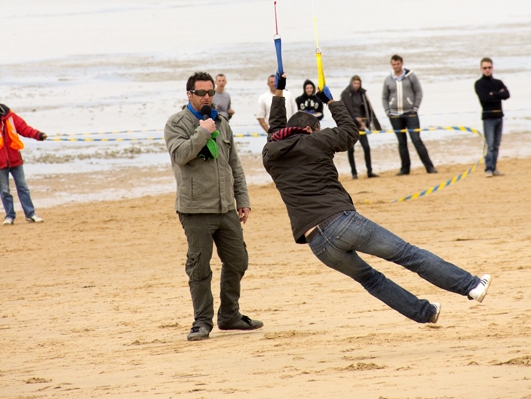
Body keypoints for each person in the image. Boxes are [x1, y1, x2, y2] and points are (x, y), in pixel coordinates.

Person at [262, 76, 491, 325]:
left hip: (316, 243)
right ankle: (470, 285)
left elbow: (275, 131)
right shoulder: (315, 140)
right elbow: (351, 132)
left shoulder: (270, 153)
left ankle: (425, 313)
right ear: (308, 130)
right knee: (408, 254)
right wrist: (331, 101)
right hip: (340, 222)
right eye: (316, 129)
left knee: (370, 280)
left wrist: (279, 92)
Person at [164, 71, 263, 341]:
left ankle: (230, 315)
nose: (208, 97)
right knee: (199, 267)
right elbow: (181, 156)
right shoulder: (176, 123)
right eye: (202, 93)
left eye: (210, 93)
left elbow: (234, 165)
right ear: (189, 95)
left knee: (238, 260)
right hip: (195, 209)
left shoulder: (222, 122)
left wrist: (242, 200)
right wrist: (201, 132)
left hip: (225, 208)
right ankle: (202, 322)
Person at [382, 54, 437, 176]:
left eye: (397, 64)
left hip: (410, 114)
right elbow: (384, 97)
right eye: (393, 64)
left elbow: (418, 92)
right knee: (402, 143)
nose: (396, 66)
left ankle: (429, 167)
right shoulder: (388, 79)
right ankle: (405, 169)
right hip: (395, 115)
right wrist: (387, 111)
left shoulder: (410, 76)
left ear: (402, 63)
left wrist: (415, 107)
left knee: (416, 140)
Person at [0, 104, 46, 225]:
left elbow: (24, 128)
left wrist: (38, 135)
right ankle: (9, 216)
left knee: (23, 187)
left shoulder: (9, 116)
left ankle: (30, 214)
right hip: (0, 164)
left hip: (15, 159)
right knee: (4, 191)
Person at [475, 58, 510, 177]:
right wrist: (497, 94)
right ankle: (488, 168)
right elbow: (485, 99)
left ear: (492, 68)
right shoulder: (479, 84)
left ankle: (494, 168)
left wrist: (494, 93)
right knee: (489, 144)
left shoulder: (498, 82)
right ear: (481, 69)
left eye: (489, 67)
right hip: (488, 117)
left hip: (499, 116)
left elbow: (506, 95)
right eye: (485, 68)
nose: (487, 70)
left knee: (496, 144)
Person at [340, 75, 381, 179]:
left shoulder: (362, 94)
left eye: (358, 83)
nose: (356, 85)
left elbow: (368, 109)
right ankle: (354, 173)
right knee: (351, 149)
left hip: (361, 125)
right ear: (351, 83)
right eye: (354, 83)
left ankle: (369, 171)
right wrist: (354, 119)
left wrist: (365, 122)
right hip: (350, 126)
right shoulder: (345, 94)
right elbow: (344, 110)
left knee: (366, 147)